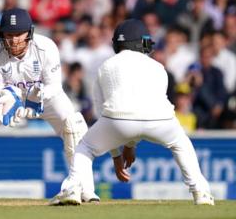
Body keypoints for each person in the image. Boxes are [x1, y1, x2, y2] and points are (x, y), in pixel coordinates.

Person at [52, 19, 214, 206]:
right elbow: (144, 110)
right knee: (181, 143)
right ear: (142, 43)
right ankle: (201, 193)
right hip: (161, 120)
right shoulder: (158, 67)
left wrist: (116, 154)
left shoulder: (106, 66)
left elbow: (103, 112)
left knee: (84, 147)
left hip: (116, 121)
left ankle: (72, 188)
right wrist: (130, 144)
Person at [0, 8, 98, 203]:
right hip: (8, 96)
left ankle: (83, 189)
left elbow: (55, 86)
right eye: (9, 35)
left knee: (74, 125)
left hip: (43, 95)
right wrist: (6, 98)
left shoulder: (46, 47)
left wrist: (38, 97)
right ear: (1, 33)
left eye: (18, 35)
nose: (14, 40)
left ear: (29, 33)